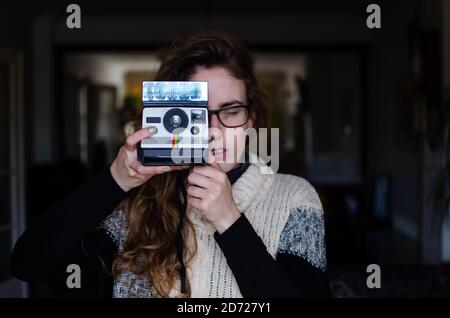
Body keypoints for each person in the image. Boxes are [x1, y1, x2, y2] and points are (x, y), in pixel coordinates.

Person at [10, 31, 331, 298]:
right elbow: (29, 264)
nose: (213, 130)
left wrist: (230, 221)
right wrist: (114, 180)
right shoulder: (136, 200)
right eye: (198, 114)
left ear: (252, 119)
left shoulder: (293, 197)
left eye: (231, 112)